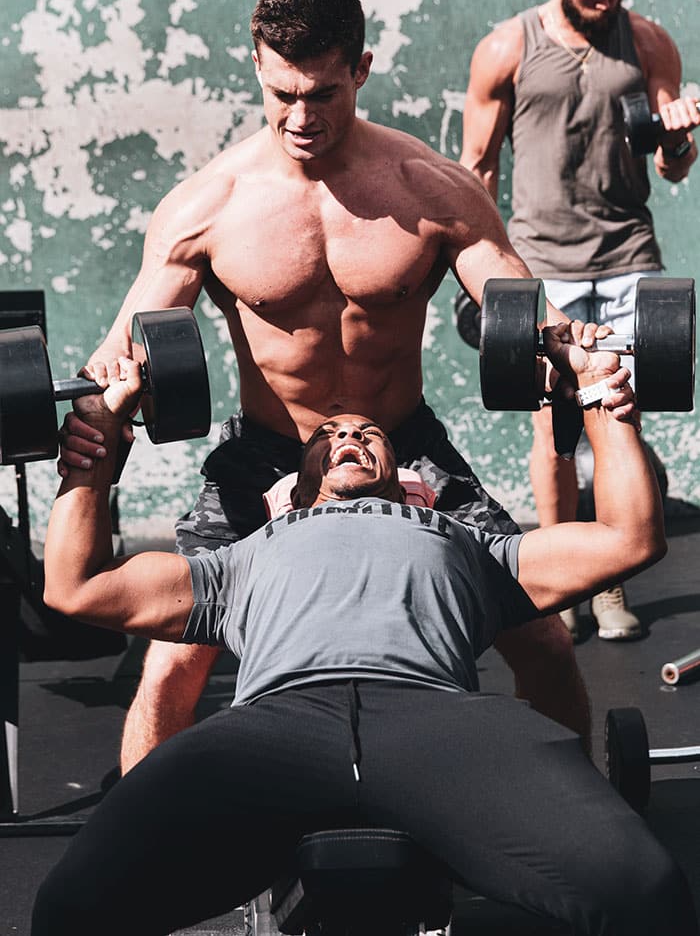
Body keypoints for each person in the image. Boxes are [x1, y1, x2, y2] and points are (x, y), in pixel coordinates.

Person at [60, 0, 633, 771]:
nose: (300, 117)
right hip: (266, 445)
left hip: (403, 444)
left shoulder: (435, 192)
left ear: (360, 69)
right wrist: (102, 402)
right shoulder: (208, 206)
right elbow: (120, 353)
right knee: (172, 663)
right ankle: (136, 861)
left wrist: (580, 352)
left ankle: (577, 819)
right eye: (281, 92)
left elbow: (525, 310)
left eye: (323, 93)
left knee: (539, 637)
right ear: (257, 65)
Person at [33, 326, 699, 936]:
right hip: (272, 732)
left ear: (415, 484)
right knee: (71, 908)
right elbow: (76, 585)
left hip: (440, 725)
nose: (349, 436)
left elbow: (630, 538)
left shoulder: (473, 546)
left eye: (368, 434)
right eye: (328, 437)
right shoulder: (239, 559)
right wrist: (94, 437)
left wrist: (600, 394)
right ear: (294, 490)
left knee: (646, 889)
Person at [460, 0, 699, 642]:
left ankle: (609, 587)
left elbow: (672, 163)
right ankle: (560, 586)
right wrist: (492, 276)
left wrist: (681, 139)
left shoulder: (649, 41)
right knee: (556, 427)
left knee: (616, 419)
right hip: (542, 264)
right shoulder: (507, 48)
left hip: (627, 255)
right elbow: (478, 170)